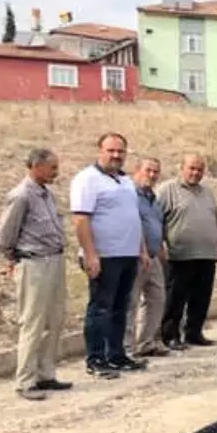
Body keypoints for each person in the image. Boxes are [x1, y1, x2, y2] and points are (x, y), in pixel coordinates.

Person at [70, 132, 149, 378]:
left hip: (127, 255)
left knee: (120, 307)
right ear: (100, 150)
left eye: (120, 151)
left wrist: (142, 250)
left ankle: (116, 355)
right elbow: (81, 220)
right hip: (104, 256)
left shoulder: (125, 181)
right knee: (100, 308)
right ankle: (96, 359)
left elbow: (133, 217)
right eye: (111, 150)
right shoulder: (87, 179)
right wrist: (91, 255)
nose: (116, 155)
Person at [0, 148, 71, 400]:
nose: (56, 172)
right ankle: (26, 381)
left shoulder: (46, 195)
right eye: (52, 167)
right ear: (36, 167)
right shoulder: (21, 196)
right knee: (32, 323)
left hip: (54, 261)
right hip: (34, 264)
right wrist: (12, 259)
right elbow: (6, 235)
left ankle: (45, 374)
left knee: (55, 319)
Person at [156, 153, 217, 350]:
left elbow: (216, 221)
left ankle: (194, 333)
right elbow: (157, 221)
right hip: (179, 256)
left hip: (206, 255)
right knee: (176, 298)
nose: (195, 172)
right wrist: (160, 248)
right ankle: (170, 336)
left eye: (199, 169)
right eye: (192, 168)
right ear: (182, 168)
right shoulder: (167, 190)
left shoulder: (207, 192)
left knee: (201, 298)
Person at [125, 156, 169, 358]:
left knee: (156, 299)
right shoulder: (129, 195)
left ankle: (146, 342)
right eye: (148, 170)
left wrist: (160, 252)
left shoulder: (154, 198)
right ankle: (126, 347)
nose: (152, 175)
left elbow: (157, 227)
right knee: (130, 302)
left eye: (155, 172)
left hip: (153, 255)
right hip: (134, 256)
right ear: (137, 170)